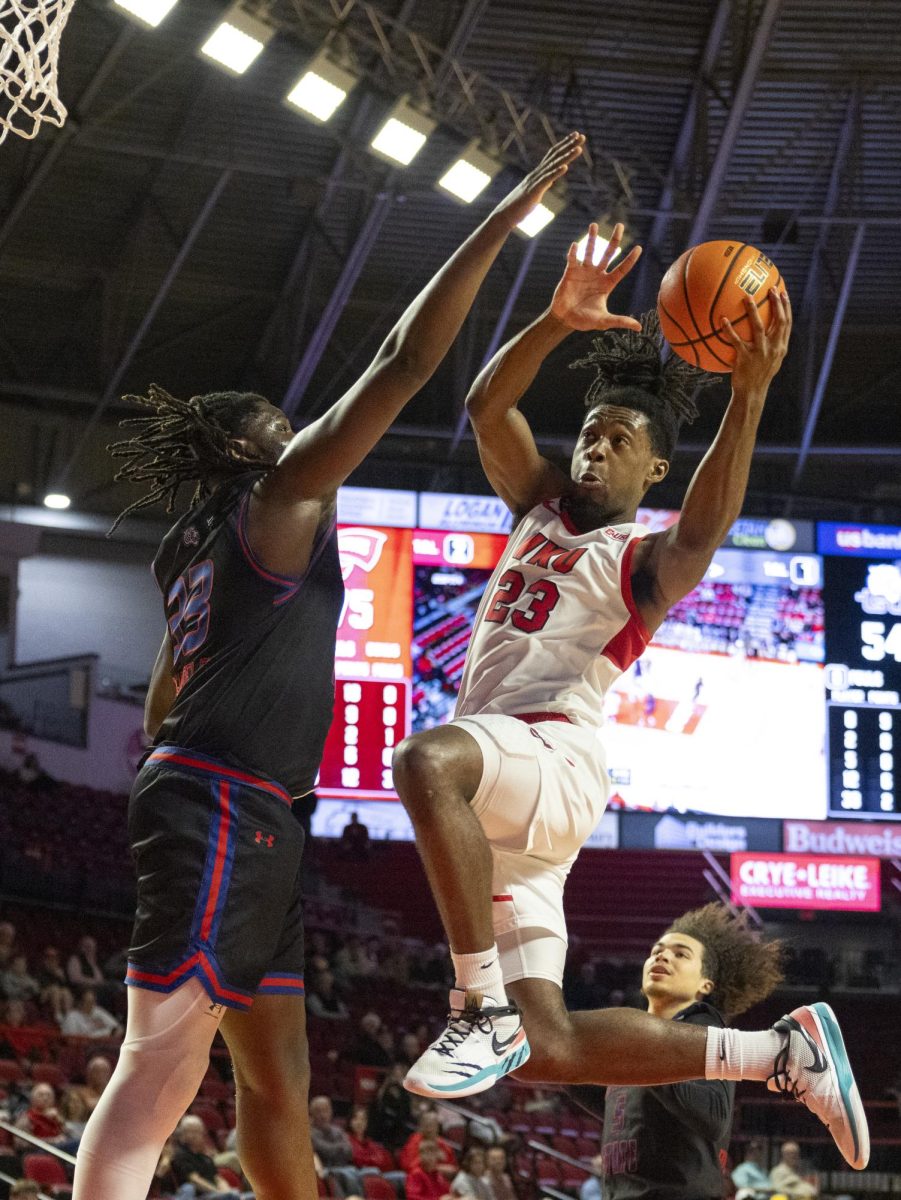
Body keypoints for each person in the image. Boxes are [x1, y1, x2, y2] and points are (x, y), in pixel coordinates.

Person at [70, 130, 586, 1200]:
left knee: (277, 1080)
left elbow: (170, 689)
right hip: (222, 804)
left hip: (251, 809)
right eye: (286, 428)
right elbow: (403, 363)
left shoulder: (199, 545)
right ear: (255, 454)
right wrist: (499, 225)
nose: (306, 434)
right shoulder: (278, 498)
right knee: (161, 1072)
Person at [392, 227, 868, 1172]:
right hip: (505, 811)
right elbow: (488, 403)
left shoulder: (641, 562)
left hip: (547, 760)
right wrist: (554, 319)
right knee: (547, 1053)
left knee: (423, 757)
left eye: (619, 441)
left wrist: (751, 392)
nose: (594, 449)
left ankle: (474, 1006)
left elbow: (708, 521)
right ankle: (781, 1054)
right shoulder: (535, 506)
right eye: (590, 433)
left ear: (652, 470)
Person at [566, 904, 783, 1200]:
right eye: (657, 950)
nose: (662, 955)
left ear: (705, 984)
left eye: (681, 954)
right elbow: (618, 1108)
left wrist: (644, 1051)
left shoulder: (702, 1029)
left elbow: (714, 1116)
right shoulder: (641, 1042)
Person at [170, 1114, 252, 1199]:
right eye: (193, 1131)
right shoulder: (180, 1156)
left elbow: (217, 1178)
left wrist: (228, 1191)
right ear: (183, 1134)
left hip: (214, 1193)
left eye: (199, 1131)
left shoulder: (205, 1158)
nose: (198, 1135)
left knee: (251, 1196)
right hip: (199, 1195)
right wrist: (218, 1192)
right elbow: (195, 1180)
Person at [399, 1108, 458, 1180]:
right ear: (421, 1127)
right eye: (426, 1125)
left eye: (432, 1125)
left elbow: (452, 1169)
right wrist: (430, 1162)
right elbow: (408, 1166)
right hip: (416, 1178)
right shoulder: (415, 1140)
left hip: (438, 1181)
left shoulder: (444, 1145)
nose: (429, 1129)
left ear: (438, 1127)